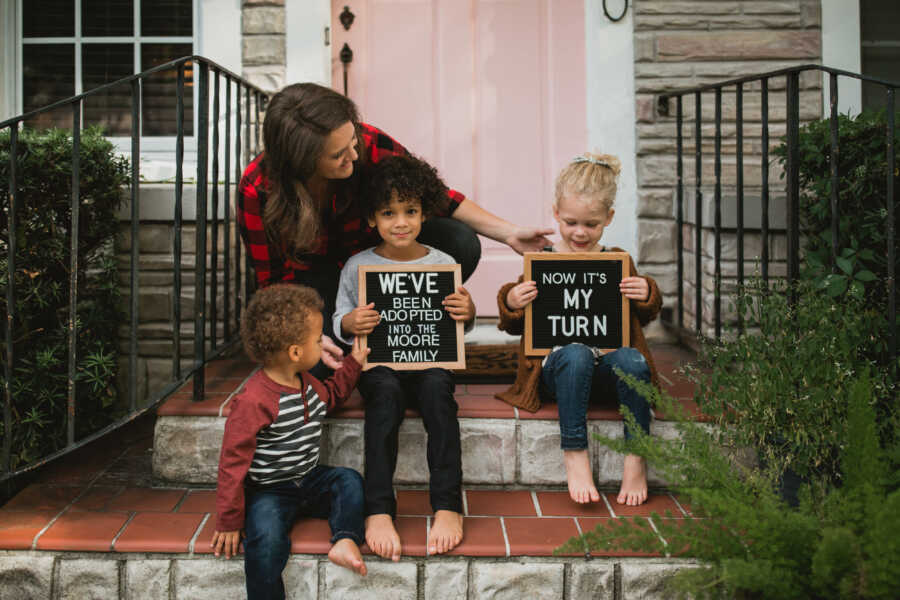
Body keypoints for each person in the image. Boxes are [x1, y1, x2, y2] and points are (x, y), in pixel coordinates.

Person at [237, 82, 552, 375]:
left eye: (352, 141)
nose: (355, 155)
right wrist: (309, 335)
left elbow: (438, 197)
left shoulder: (368, 141)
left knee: (460, 240)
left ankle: (403, 332)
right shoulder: (257, 188)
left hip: (379, 260)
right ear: (301, 161)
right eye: (338, 154)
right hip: (317, 282)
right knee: (317, 365)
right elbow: (273, 282)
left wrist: (508, 233)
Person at [495, 153, 663, 506]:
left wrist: (646, 292)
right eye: (570, 222)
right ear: (555, 212)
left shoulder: (617, 260)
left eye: (592, 224)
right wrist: (513, 299)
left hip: (606, 370)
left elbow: (642, 316)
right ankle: (575, 452)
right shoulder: (543, 260)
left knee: (634, 361)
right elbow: (513, 322)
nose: (580, 232)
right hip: (559, 371)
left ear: (609, 218)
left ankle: (636, 456)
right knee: (574, 351)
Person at [332, 155, 474, 560]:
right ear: (371, 217)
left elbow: (453, 322)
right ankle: (378, 508)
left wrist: (467, 311)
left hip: (430, 362)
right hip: (379, 366)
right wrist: (350, 322)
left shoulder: (443, 263)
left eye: (410, 211)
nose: (400, 222)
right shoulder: (359, 266)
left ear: (424, 212)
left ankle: (447, 505)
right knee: (385, 397)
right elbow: (339, 317)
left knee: (437, 394)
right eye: (388, 212)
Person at [212, 284, 370, 599]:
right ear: (296, 353)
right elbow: (232, 463)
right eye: (316, 340)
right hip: (270, 491)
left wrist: (353, 364)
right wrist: (229, 520)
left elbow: (333, 395)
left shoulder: (306, 383)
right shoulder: (254, 401)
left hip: (309, 480)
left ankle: (345, 539)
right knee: (266, 541)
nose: (321, 344)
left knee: (349, 480)